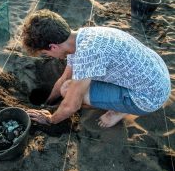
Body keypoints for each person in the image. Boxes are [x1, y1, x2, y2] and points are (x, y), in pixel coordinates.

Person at [22, 9, 171, 128]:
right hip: (157, 72)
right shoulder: (80, 38)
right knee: (69, 84)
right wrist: (48, 103)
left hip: (150, 97)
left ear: (53, 46)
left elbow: (71, 106)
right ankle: (118, 103)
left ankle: (119, 110)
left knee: (68, 90)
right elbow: (65, 78)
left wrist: (49, 119)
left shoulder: (87, 54)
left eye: (45, 53)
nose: (49, 56)